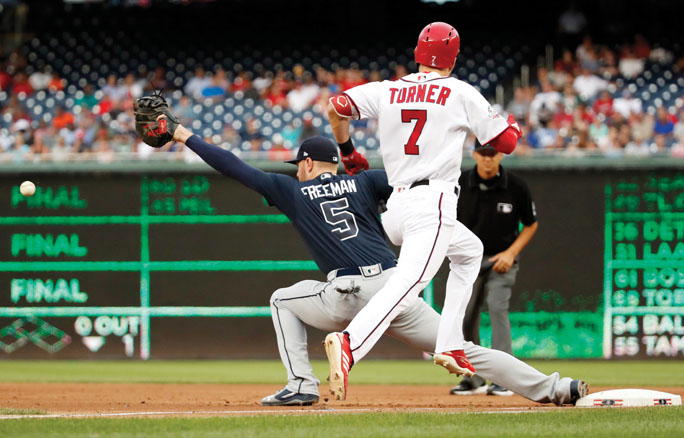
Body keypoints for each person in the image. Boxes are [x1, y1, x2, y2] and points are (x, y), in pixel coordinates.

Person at [163, 117, 587, 407]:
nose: (298, 170)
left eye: (299, 165)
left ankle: (301, 385)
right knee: (462, 348)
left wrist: (183, 134)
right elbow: (414, 181)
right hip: (395, 290)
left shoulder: (291, 189)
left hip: (345, 293)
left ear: (307, 163)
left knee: (281, 299)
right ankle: (555, 388)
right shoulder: (365, 181)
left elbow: (233, 166)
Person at [324, 22, 522, 400]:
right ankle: (351, 343)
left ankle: (449, 343)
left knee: (470, 251)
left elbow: (336, 107)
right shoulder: (459, 91)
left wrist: (347, 153)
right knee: (407, 285)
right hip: (432, 204)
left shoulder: (387, 90)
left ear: (418, 53)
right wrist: (512, 124)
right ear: (453, 59)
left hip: (397, 205)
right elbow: (507, 143)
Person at [451, 143, 539, 397]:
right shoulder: (459, 183)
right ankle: (473, 377)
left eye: (492, 154)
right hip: (468, 260)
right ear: (475, 154)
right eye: (483, 153)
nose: (488, 159)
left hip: (501, 259)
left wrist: (511, 253)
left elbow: (531, 224)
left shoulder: (516, 185)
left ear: (500, 155)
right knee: (465, 316)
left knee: (497, 308)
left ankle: (505, 379)